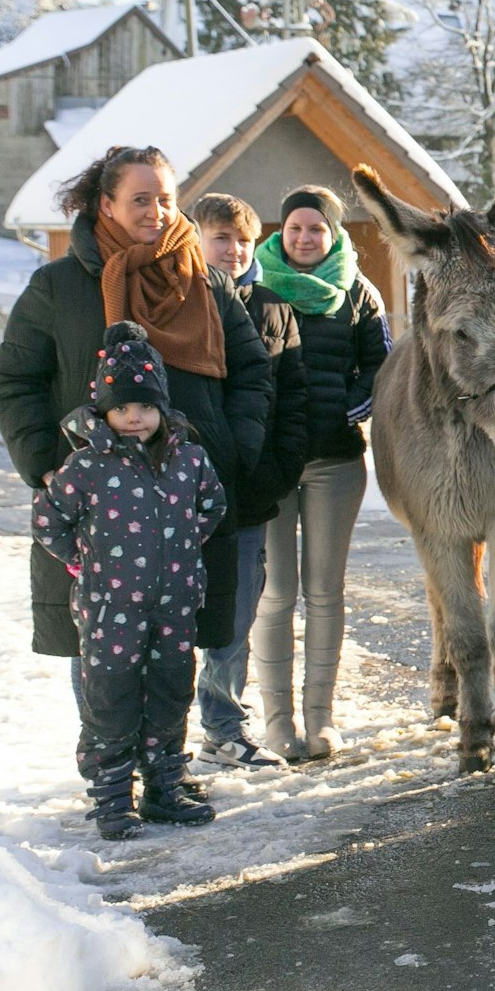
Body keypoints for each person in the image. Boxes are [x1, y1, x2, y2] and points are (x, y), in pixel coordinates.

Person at [0, 146, 271, 784]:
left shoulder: (207, 281)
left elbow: (254, 371)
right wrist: (46, 465)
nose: (156, 210)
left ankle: (165, 775)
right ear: (105, 205)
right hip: (97, 511)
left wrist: (232, 446)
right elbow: (13, 383)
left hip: (178, 512)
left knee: (174, 649)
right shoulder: (59, 286)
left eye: (166, 197)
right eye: (140, 198)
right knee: (99, 650)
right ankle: (113, 779)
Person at [34, 322, 227, 838]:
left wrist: (183, 550)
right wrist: (82, 561)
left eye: (143, 407)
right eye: (122, 408)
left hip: (175, 603)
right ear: (105, 412)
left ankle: (165, 786)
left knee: (170, 690)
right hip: (110, 608)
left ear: (161, 408)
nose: (134, 417)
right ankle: (113, 798)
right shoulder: (88, 465)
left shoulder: (188, 459)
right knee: (111, 697)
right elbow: (48, 518)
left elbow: (212, 506)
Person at [252, 185, 390, 762]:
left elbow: (381, 366)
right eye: (295, 228)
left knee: (325, 591)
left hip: (335, 460)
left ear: (334, 234)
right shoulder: (252, 290)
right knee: (276, 592)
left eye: (316, 229)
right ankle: (278, 720)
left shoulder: (359, 293)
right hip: (273, 464)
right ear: (280, 232)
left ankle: (321, 718)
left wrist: (353, 406)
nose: (305, 238)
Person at [191, 193, 309, 769]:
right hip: (179, 494)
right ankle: (160, 735)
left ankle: (221, 726)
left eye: (242, 239)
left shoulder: (273, 309)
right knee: (172, 617)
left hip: (247, 493)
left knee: (236, 614)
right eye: (220, 238)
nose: (232, 250)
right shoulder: (179, 302)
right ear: (195, 239)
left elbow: (292, 401)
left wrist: (275, 471)